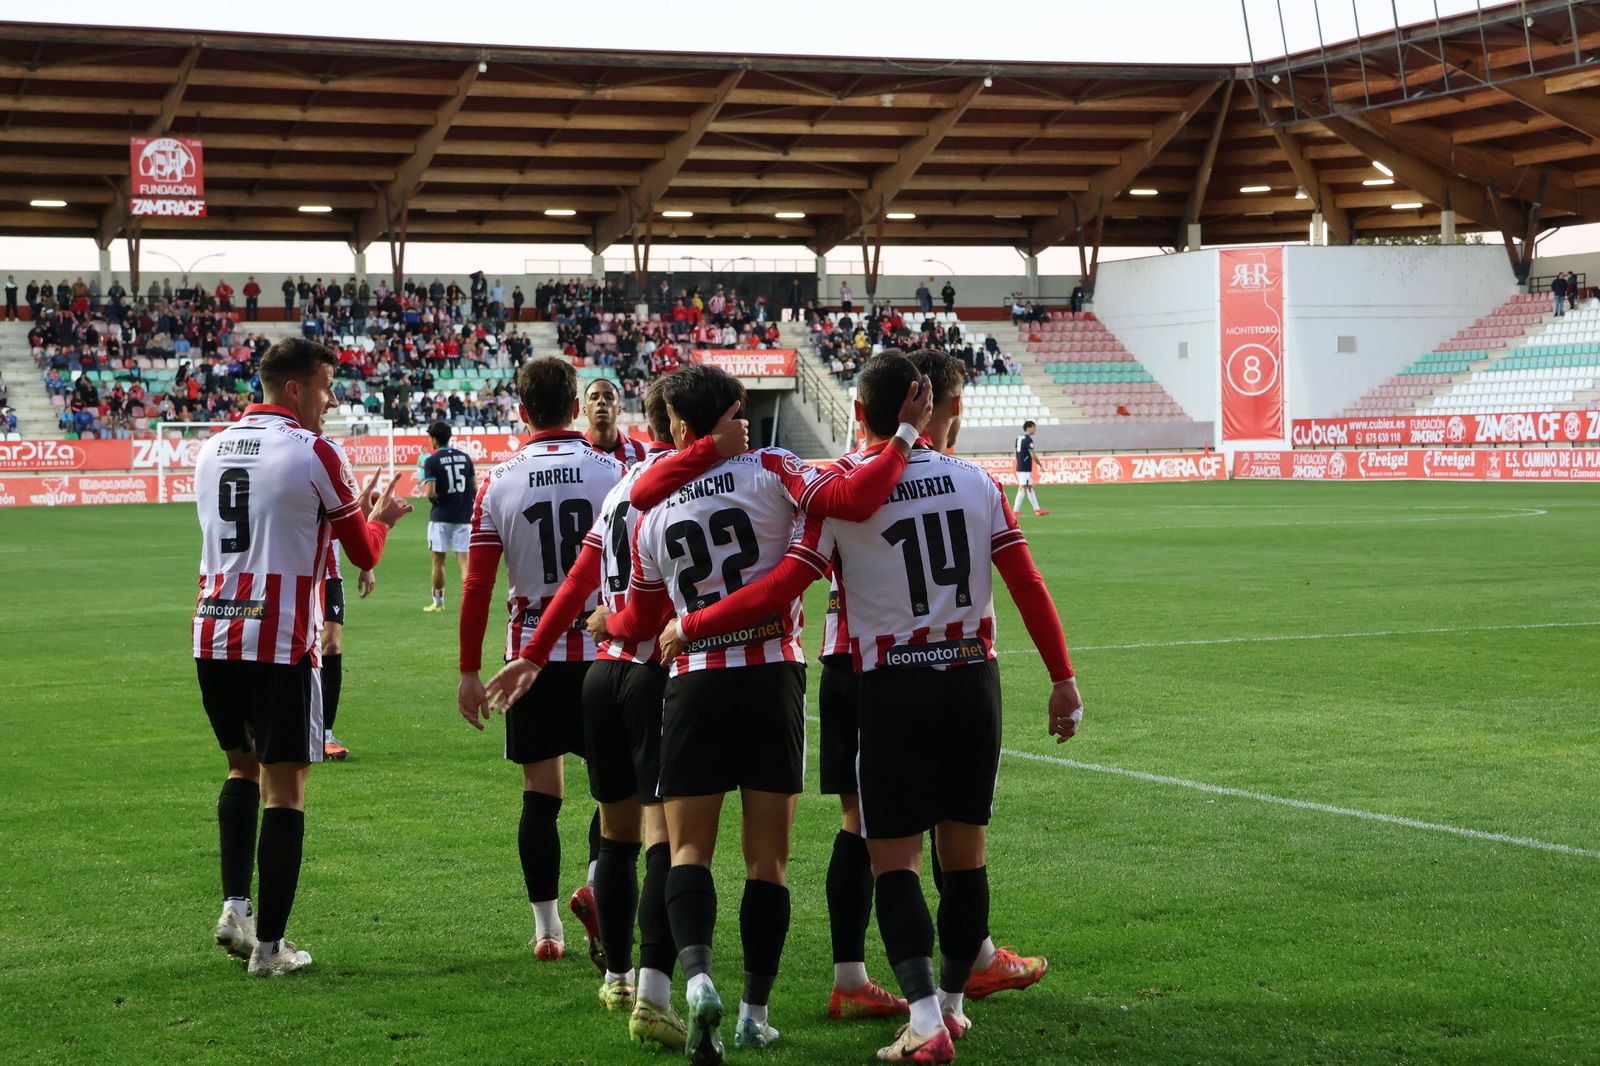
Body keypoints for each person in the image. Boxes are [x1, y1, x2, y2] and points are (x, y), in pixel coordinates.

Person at [667, 351, 1081, 1061]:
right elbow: (1028, 582)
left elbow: (778, 591)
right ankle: (951, 1004)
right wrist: (1063, 678)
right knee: (967, 858)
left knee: (892, 859)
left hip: (889, 681)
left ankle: (920, 1014)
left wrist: (691, 626)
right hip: (973, 676)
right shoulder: (977, 482)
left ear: (858, 414)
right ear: (926, 410)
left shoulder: (836, 494)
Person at [592, 362, 930, 1059]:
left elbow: (644, 620)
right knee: (767, 863)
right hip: (772, 677)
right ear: (728, 415)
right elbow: (855, 498)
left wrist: (608, 623)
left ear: (679, 426)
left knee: (686, 850)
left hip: (692, 686)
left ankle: (695, 983)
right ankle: (753, 1010)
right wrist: (903, 436)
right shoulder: (774, 469)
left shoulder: (652, 514)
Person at [483, 379, 749, 1051]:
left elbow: (578, 578)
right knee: (664, 838)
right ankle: (656, 995)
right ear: (693, 426)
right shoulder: (697, 485)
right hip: (654, 671)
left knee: (617, 836)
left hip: (600, 674)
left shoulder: (621, 485)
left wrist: (536, 653)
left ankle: (621, 977)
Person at [193, 337, 412, 977]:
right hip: (281, 637)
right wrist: (384, 518)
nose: (330, 398)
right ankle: (270, 949)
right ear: (294, 389)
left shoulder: (210, 448)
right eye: (324, 386)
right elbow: (363, 553)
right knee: (285, 790)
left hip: (214, 629)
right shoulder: (315, 450)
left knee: (241, 769)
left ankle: (236, 907)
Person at [457, 358, 626, 964]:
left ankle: (547, 928)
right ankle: (597, 888)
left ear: (522, 411)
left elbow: (476, 585)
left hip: (529, 658)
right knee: (614, 795)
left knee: (540, 793)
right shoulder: (616, 472)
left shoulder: (497, 482)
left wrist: (469, 670)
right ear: (576, 405)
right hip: (605, 654)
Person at [319, 540, 375, 760]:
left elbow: (353, 521)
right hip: (295, 575)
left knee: (331, 644)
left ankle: (325, 735)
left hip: (330, 577)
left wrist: (366, 565)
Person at [420, 422, 476, 613]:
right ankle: (470, 603)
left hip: (441, 517)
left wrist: (439, 501)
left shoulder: (432, 461)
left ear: (435, 439)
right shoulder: (465, 458)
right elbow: (474, 488)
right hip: (463, 517)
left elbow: (430, 493)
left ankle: (438, 603)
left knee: (438, 562)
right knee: (465, 563)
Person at [582, 377, 648, 467]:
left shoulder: (642, 451)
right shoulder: (576, 452)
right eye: (594, 398)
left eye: (609, 397)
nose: (601, 401)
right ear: (584, 410)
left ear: (619, 409)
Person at [1013, 420, 1049, 516]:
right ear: (1029, 427)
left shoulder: (1019, 438)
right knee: (1023, 487)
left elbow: (1015, 451)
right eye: (1034, 427)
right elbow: (1032, 454)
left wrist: (1019, 460)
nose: (1035, 429)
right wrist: (1040, 464)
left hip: (1021, 464)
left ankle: (1037, 510)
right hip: (1025, 467)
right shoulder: (1028, 439)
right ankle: (1015, 510)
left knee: (1029, 487)